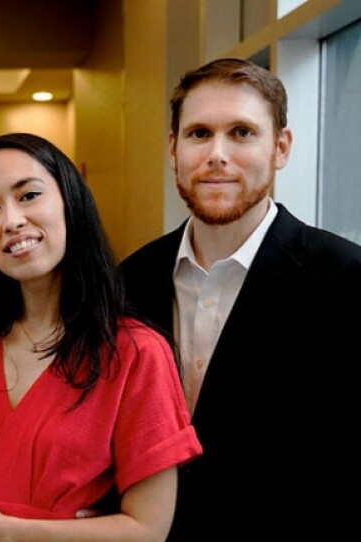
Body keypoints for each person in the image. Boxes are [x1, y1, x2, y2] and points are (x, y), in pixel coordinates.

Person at [119, 57, 361, 541]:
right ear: (173, 149)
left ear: (281, 147)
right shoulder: (128, 280)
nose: (217, 154)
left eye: (243, 133)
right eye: (199, 133)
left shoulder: (347, 279)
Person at [0, 132, 202, 541]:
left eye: (29, 195)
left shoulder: (135, 352)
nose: (12, 220)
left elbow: (149, 530)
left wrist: (12, 532)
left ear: (71, 204)